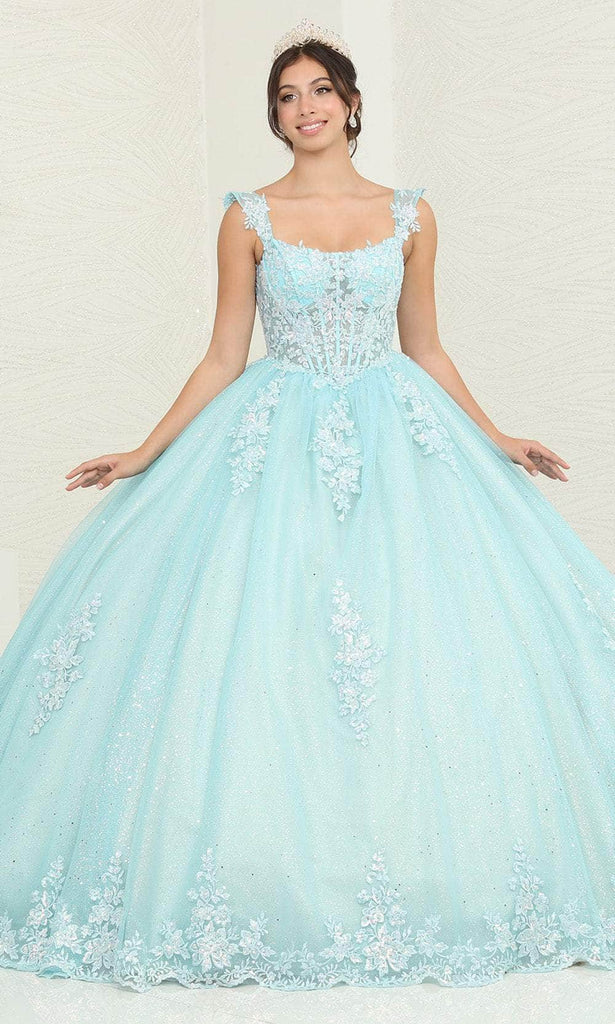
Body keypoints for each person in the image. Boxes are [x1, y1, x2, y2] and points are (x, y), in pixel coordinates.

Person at [1, 17, 614, 995]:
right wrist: (145, 453)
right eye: (286, 96)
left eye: (320, 88)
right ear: (276, 117)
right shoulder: (247, 217)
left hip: (398, 432)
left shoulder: (410, 214)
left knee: (412, 643)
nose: (305, 107)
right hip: (271, 434)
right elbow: (222, 355)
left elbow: (425, 345)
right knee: (263, 642)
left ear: (353, 102)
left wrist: (494, 435)